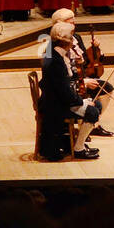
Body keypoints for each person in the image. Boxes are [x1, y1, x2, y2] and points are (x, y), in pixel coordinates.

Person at [40, 21, 103, 160]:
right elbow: (64, 93)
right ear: (65, 42)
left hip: (57, 99)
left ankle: (77, 143)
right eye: (71, 38)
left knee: (95, 104)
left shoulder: (54, 52)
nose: (74, 41)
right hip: (56, 105)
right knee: (93, 110)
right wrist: (83, 101)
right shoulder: (56, 61)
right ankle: (79, 148)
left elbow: (65, 85)